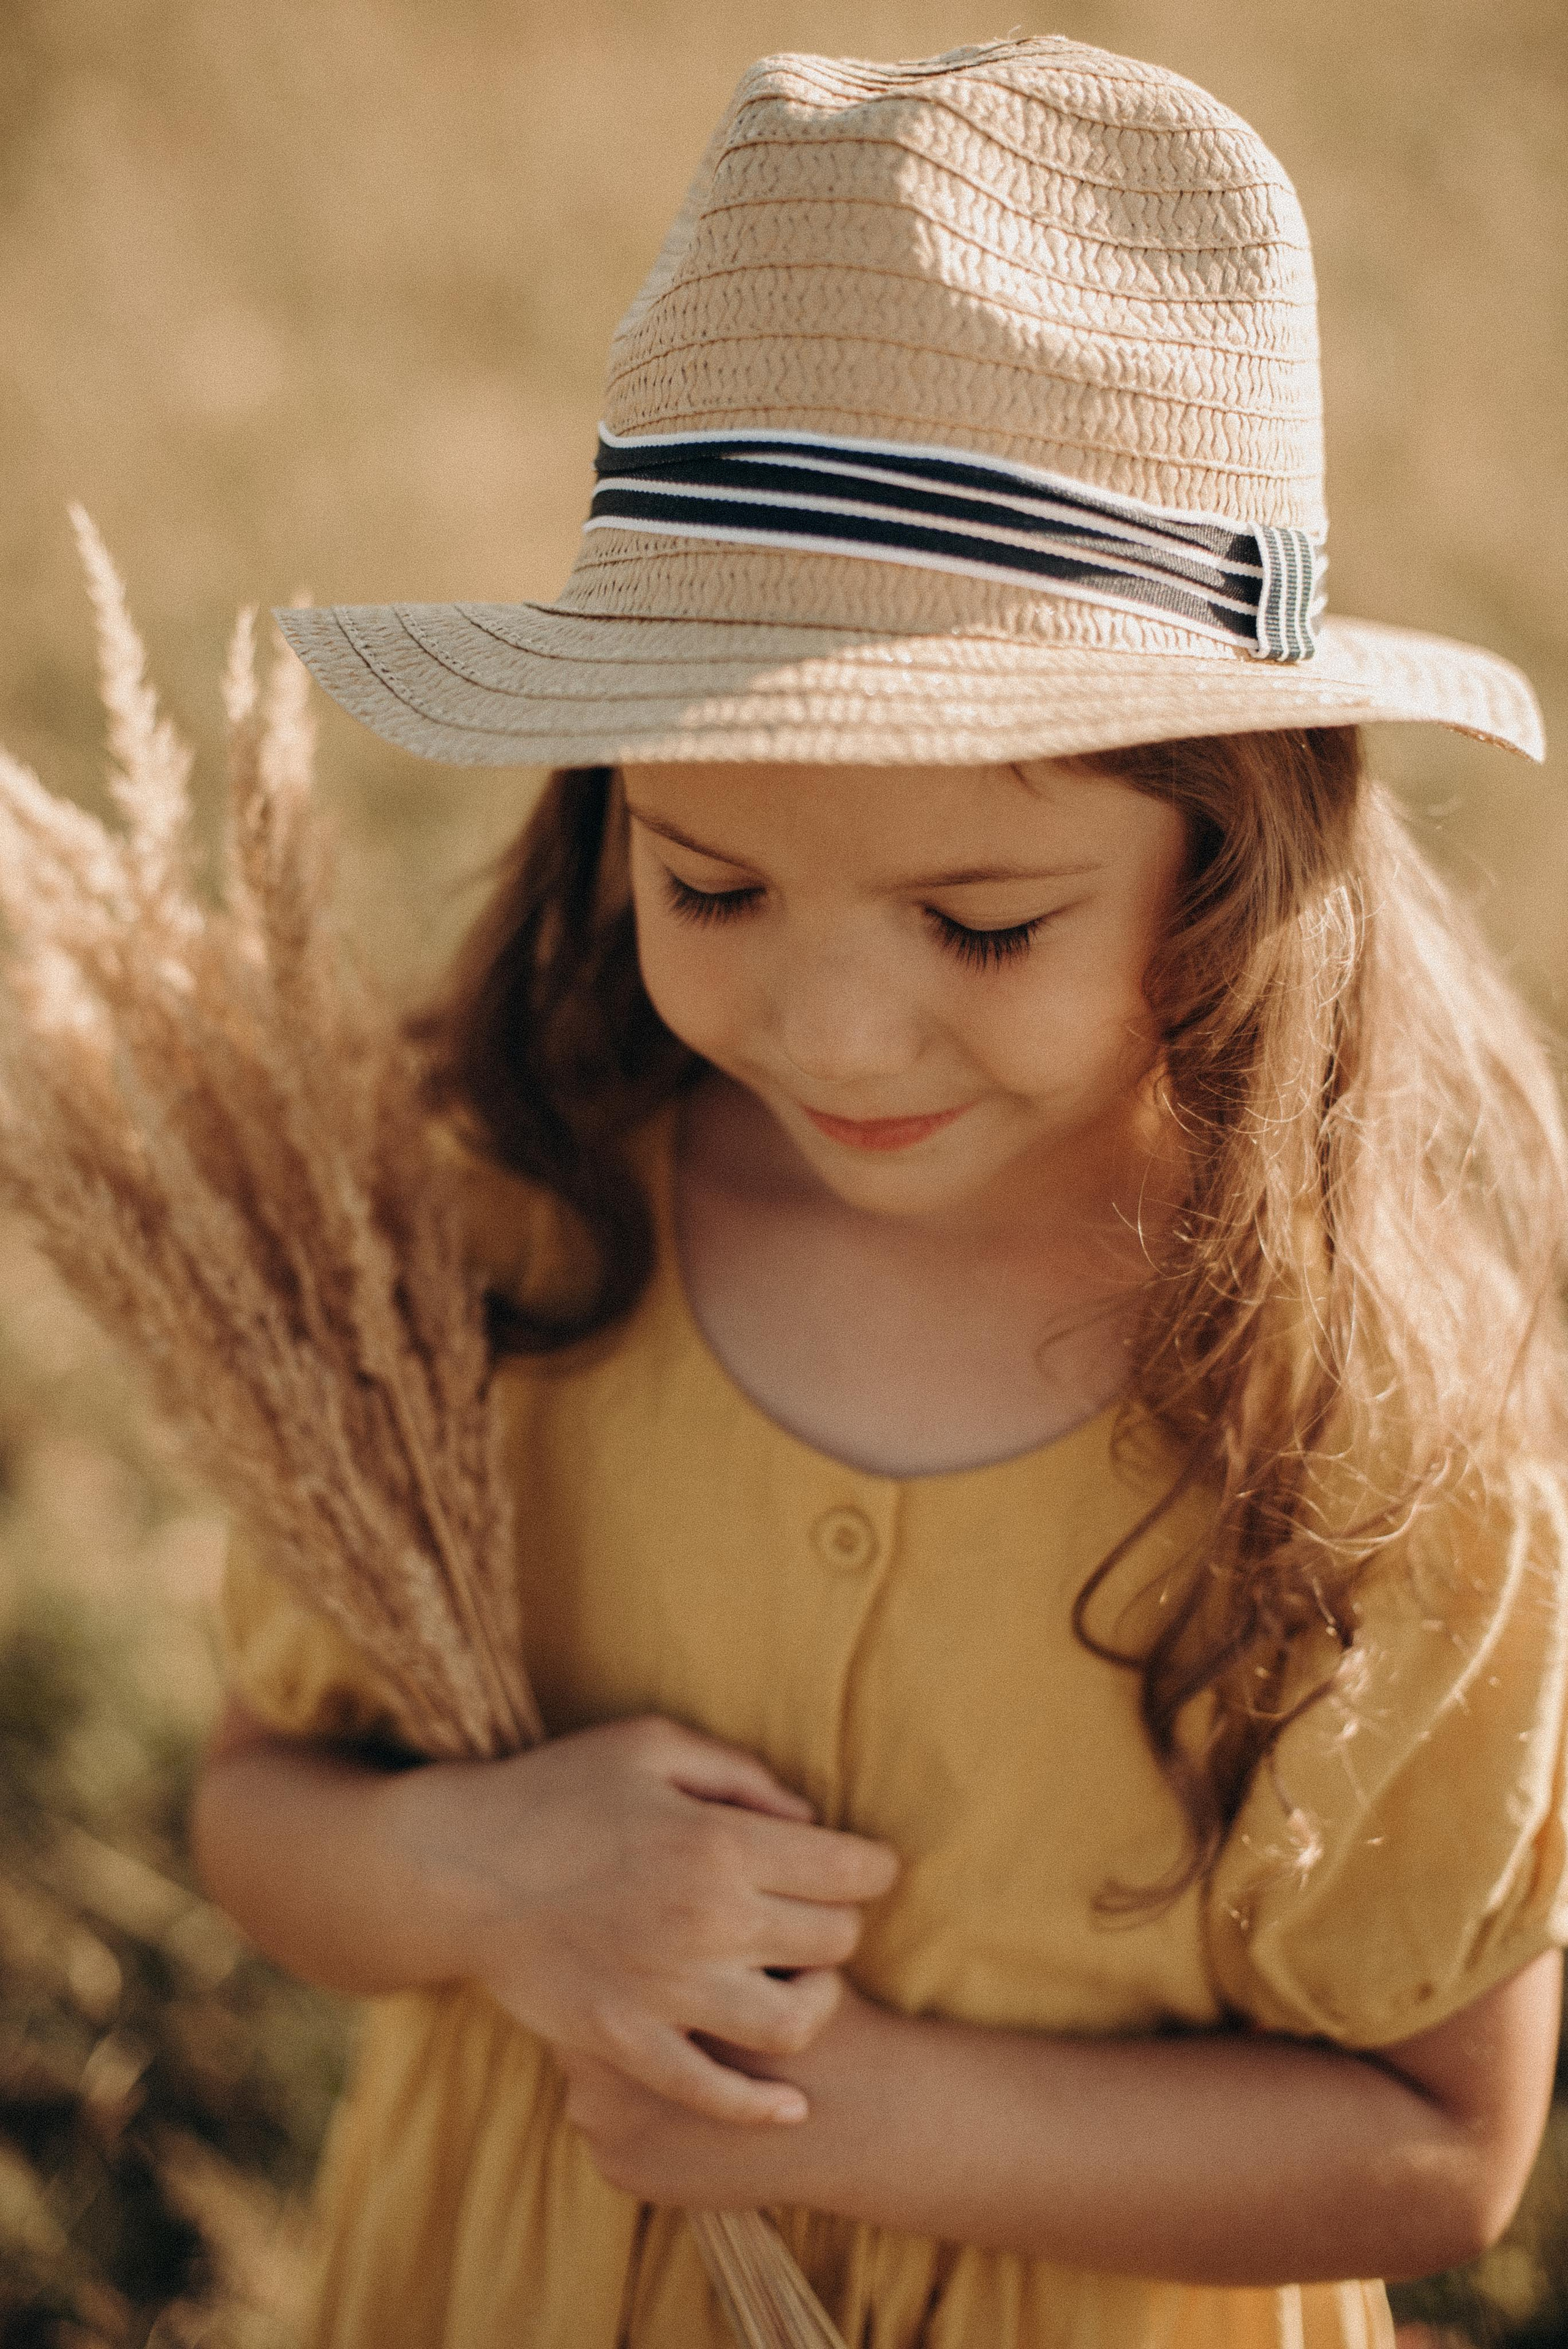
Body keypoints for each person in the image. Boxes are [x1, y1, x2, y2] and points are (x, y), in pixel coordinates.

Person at [190, 36, 1568, 2349]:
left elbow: (1442, 2143)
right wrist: (472, 1870)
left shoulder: (1364, 1429)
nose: (835, 1033)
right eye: (713, 884)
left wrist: (864, 2114)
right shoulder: (492, 1240)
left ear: (1237, 862)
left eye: (982, 924)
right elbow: (260, 1809)